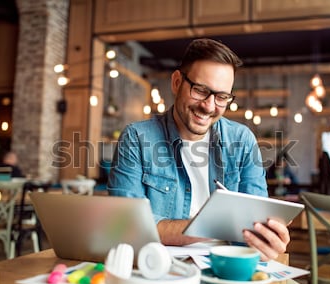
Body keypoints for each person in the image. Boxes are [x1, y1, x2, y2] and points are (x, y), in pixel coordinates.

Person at [108, 38, 290, 262]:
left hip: (230, 264)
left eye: (222, 97)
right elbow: (127, 226)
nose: (209, 106)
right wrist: (218, 226)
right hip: (161, 267)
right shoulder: (137, 138)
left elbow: (256, 224)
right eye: (201, 90)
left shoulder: (242, 140)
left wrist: (266, 240)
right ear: (176, 82)